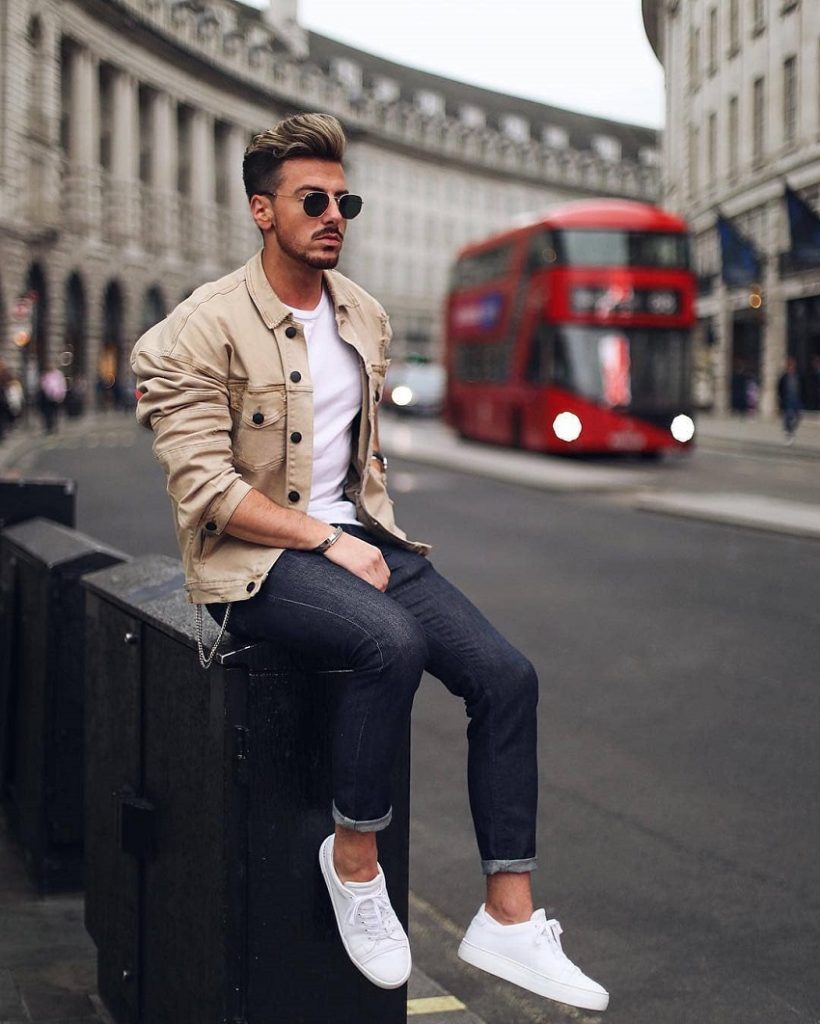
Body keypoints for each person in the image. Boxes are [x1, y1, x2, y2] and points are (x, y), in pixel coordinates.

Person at [131, 113, 608, 1013]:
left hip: (357, 540)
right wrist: (326, 538)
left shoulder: (365, 315)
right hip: (251, 565)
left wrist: (361, 532)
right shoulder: (194, 331)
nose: (334, 215)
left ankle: (507, 918)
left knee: (508, 677)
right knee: (390, 644)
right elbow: (205, 489)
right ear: (261, 211)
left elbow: (355, 463)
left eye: (343, 199)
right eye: (313, 200)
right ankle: (354, 863)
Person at [777, 355, 802, 444]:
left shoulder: (798, 376)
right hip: (787, 399)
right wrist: (781, 397)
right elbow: (779, 387)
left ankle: (790, 429)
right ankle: (788, 432)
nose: (791, 365)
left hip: (796, 399)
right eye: (789, 364)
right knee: (788, 416)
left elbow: (802, 387)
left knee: (798, 417)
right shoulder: (784, 377)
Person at [38, 364, 67, 434]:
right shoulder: (45, 375)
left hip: (56, 397)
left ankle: (54, 426)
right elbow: (43, 385)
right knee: (48, 413)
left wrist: (61, 395)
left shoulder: (58, 374)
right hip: (47, 397)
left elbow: (62, 385)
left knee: (55, 412)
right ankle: (49, 427)